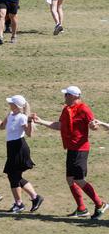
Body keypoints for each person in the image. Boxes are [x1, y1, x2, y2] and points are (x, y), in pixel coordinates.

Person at [31, 85, 107, 219]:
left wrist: (93, 126)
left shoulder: (84, 109)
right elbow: (59, 125)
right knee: (70, 179)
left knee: (79, 179)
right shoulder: (66, 109)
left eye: (66, 95)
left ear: (74, 96)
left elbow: (93, 125)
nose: (64, 97)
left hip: (81, 149)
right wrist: (41, 121)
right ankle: (82, 209)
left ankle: (100, 204)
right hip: (71, 148)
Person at [0, 95, 44, 214]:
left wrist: (29, 120)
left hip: (19, 148)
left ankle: (19, 204)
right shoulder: (10, 115)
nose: (9, 104)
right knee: (14, 176)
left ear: (16, 105)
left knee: (13, 176)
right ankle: (34, 197)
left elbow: (29, 134)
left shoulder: (22, 117)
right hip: (11, 148)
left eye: (11, 103)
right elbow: (2, 126)